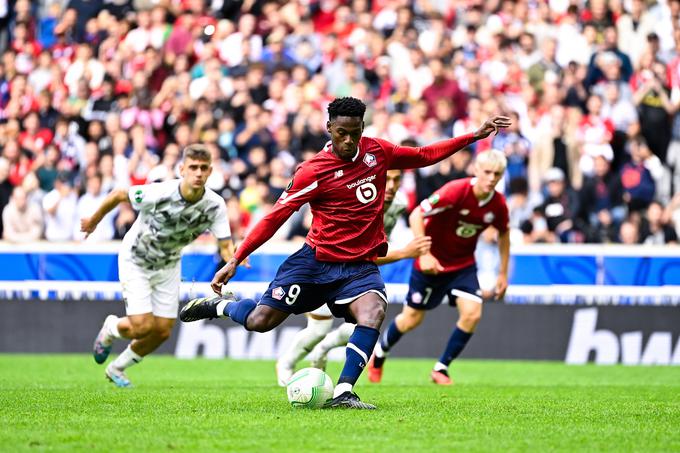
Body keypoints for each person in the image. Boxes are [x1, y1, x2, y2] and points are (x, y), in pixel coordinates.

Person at [179, 97, 510, 409]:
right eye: (341, 133)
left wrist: (473, 136)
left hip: (358, 267)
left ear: (362, 129)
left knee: (374, 311)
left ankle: (344, 391)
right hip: (315, 263)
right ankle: (222, 306)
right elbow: (275, 216)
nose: (348, 140)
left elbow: (423, 155)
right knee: (259, 321)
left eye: (354, 133)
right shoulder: (313, 171)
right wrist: (236, 258)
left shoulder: (377, 152)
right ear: (329, 128)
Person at [81, 144, 236, 388]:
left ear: (210, 172)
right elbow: (120, 194)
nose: (198, 173)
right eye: (193, 167)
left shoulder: (215, 205)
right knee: (142, 326)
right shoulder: (161, 192)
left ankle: (117, 368)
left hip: (169, 265)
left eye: (203, 168)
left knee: (162, 331)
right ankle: (111, 327)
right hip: (136, 259)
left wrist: (235, 257)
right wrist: (93, 220)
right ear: (182, 169)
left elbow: (225, 244)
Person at [275, 168, 432, 386]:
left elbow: (375, 249)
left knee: (363, 322)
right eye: (387, 179)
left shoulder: (398, 204)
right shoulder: (356, 201)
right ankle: (286, 363)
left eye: (397, 179)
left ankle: (323, 349)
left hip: (356, 273)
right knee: (319, 329)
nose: (392, 185)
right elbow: (357, 251)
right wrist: (404, 253)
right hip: (328, 268)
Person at [367, 149, 511, 386]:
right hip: (431, 264)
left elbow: (505, 233)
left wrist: (503, 274)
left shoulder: (498, 204)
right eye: (487, 172)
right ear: (476, 170)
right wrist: (425, 254)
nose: (492, 178)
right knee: (411, 319)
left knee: (473, 314)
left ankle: (441, 368)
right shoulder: (456, 191)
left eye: (497, 174)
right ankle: (380, 353)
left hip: (463, 266)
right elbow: (416, 215)